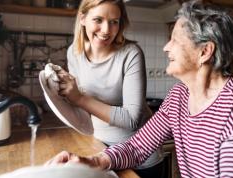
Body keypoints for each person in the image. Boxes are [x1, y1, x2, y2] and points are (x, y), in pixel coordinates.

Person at [46, 0, 233, 177]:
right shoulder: (179, 96)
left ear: (204, 52)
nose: (166, 47)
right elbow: (138, 145)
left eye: (175, 39)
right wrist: (94, 162)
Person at [54, 0, 164, 177]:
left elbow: (131, 119)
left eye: (114, 22)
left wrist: (79, 98)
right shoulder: (74, 52)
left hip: (140, 157)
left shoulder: (131, 54)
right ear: (82, 19)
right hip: (100, 149)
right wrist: (63, 93)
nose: (106, 30)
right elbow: (81, 109)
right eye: (98, 20)